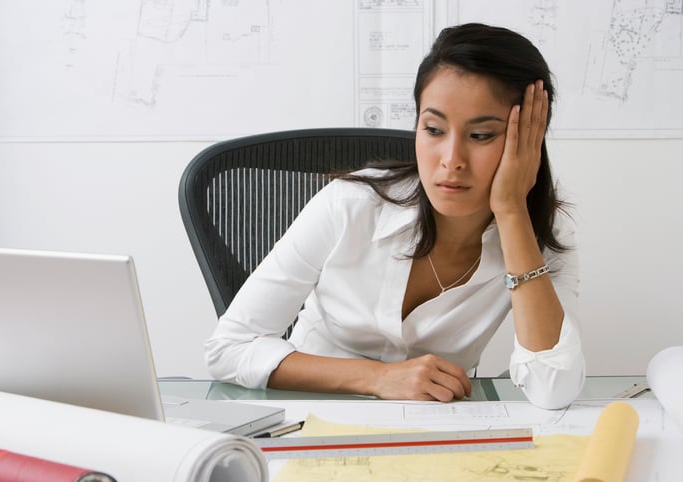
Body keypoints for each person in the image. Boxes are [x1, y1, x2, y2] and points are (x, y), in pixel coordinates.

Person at [204, 23, 585, 409]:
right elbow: (228, 349)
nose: (451, 160)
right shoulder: (350, 204)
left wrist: (511, 211)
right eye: (434, 129)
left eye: (481, 136)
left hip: (439, 428)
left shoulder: (541, 236)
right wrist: (379, 379)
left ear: (530, 139)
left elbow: (553, 391)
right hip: (312, 412)